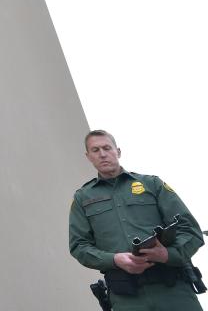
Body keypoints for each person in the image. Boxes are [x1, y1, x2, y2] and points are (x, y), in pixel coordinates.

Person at [69, 129, 204, 310]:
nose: (102, 154)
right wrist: (115, 259)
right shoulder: (82, 198)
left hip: (173, 290)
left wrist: (167, 254)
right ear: (88, 157)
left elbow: (190, 230)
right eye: (95, 150)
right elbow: (79, 246)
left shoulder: (152, 184)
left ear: (118, 151)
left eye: (107, 148)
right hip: (127, 298)